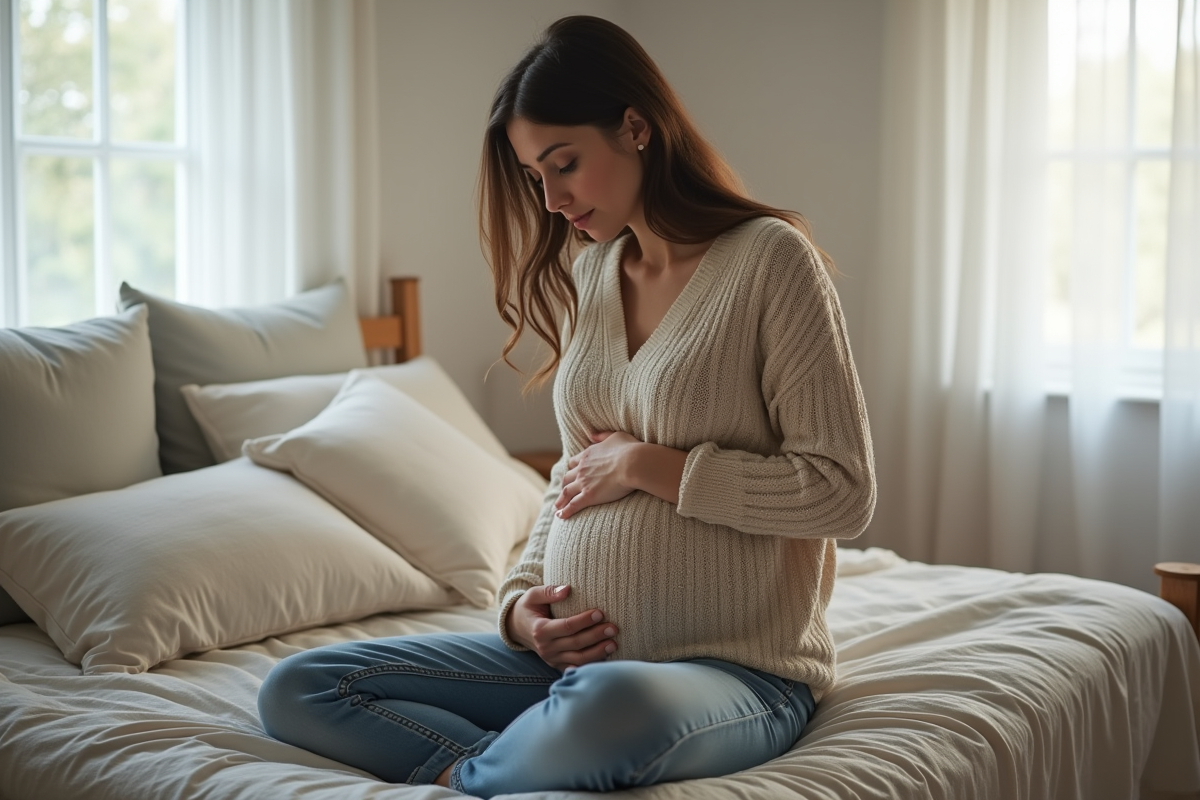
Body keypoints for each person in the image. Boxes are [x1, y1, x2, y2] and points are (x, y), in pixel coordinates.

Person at [256, 14, 875, 798]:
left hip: (733, 675)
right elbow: (571, 485)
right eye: (532, 176)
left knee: (613, 702)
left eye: (564, 164)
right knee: (300, 687)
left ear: (636, 127)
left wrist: (652, 466)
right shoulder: (593, 273)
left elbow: (840, 490)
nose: (550, 200)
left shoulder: (769, 262)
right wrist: (520, 613)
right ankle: (506, 765)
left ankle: (498, 766)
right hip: (563, 671)